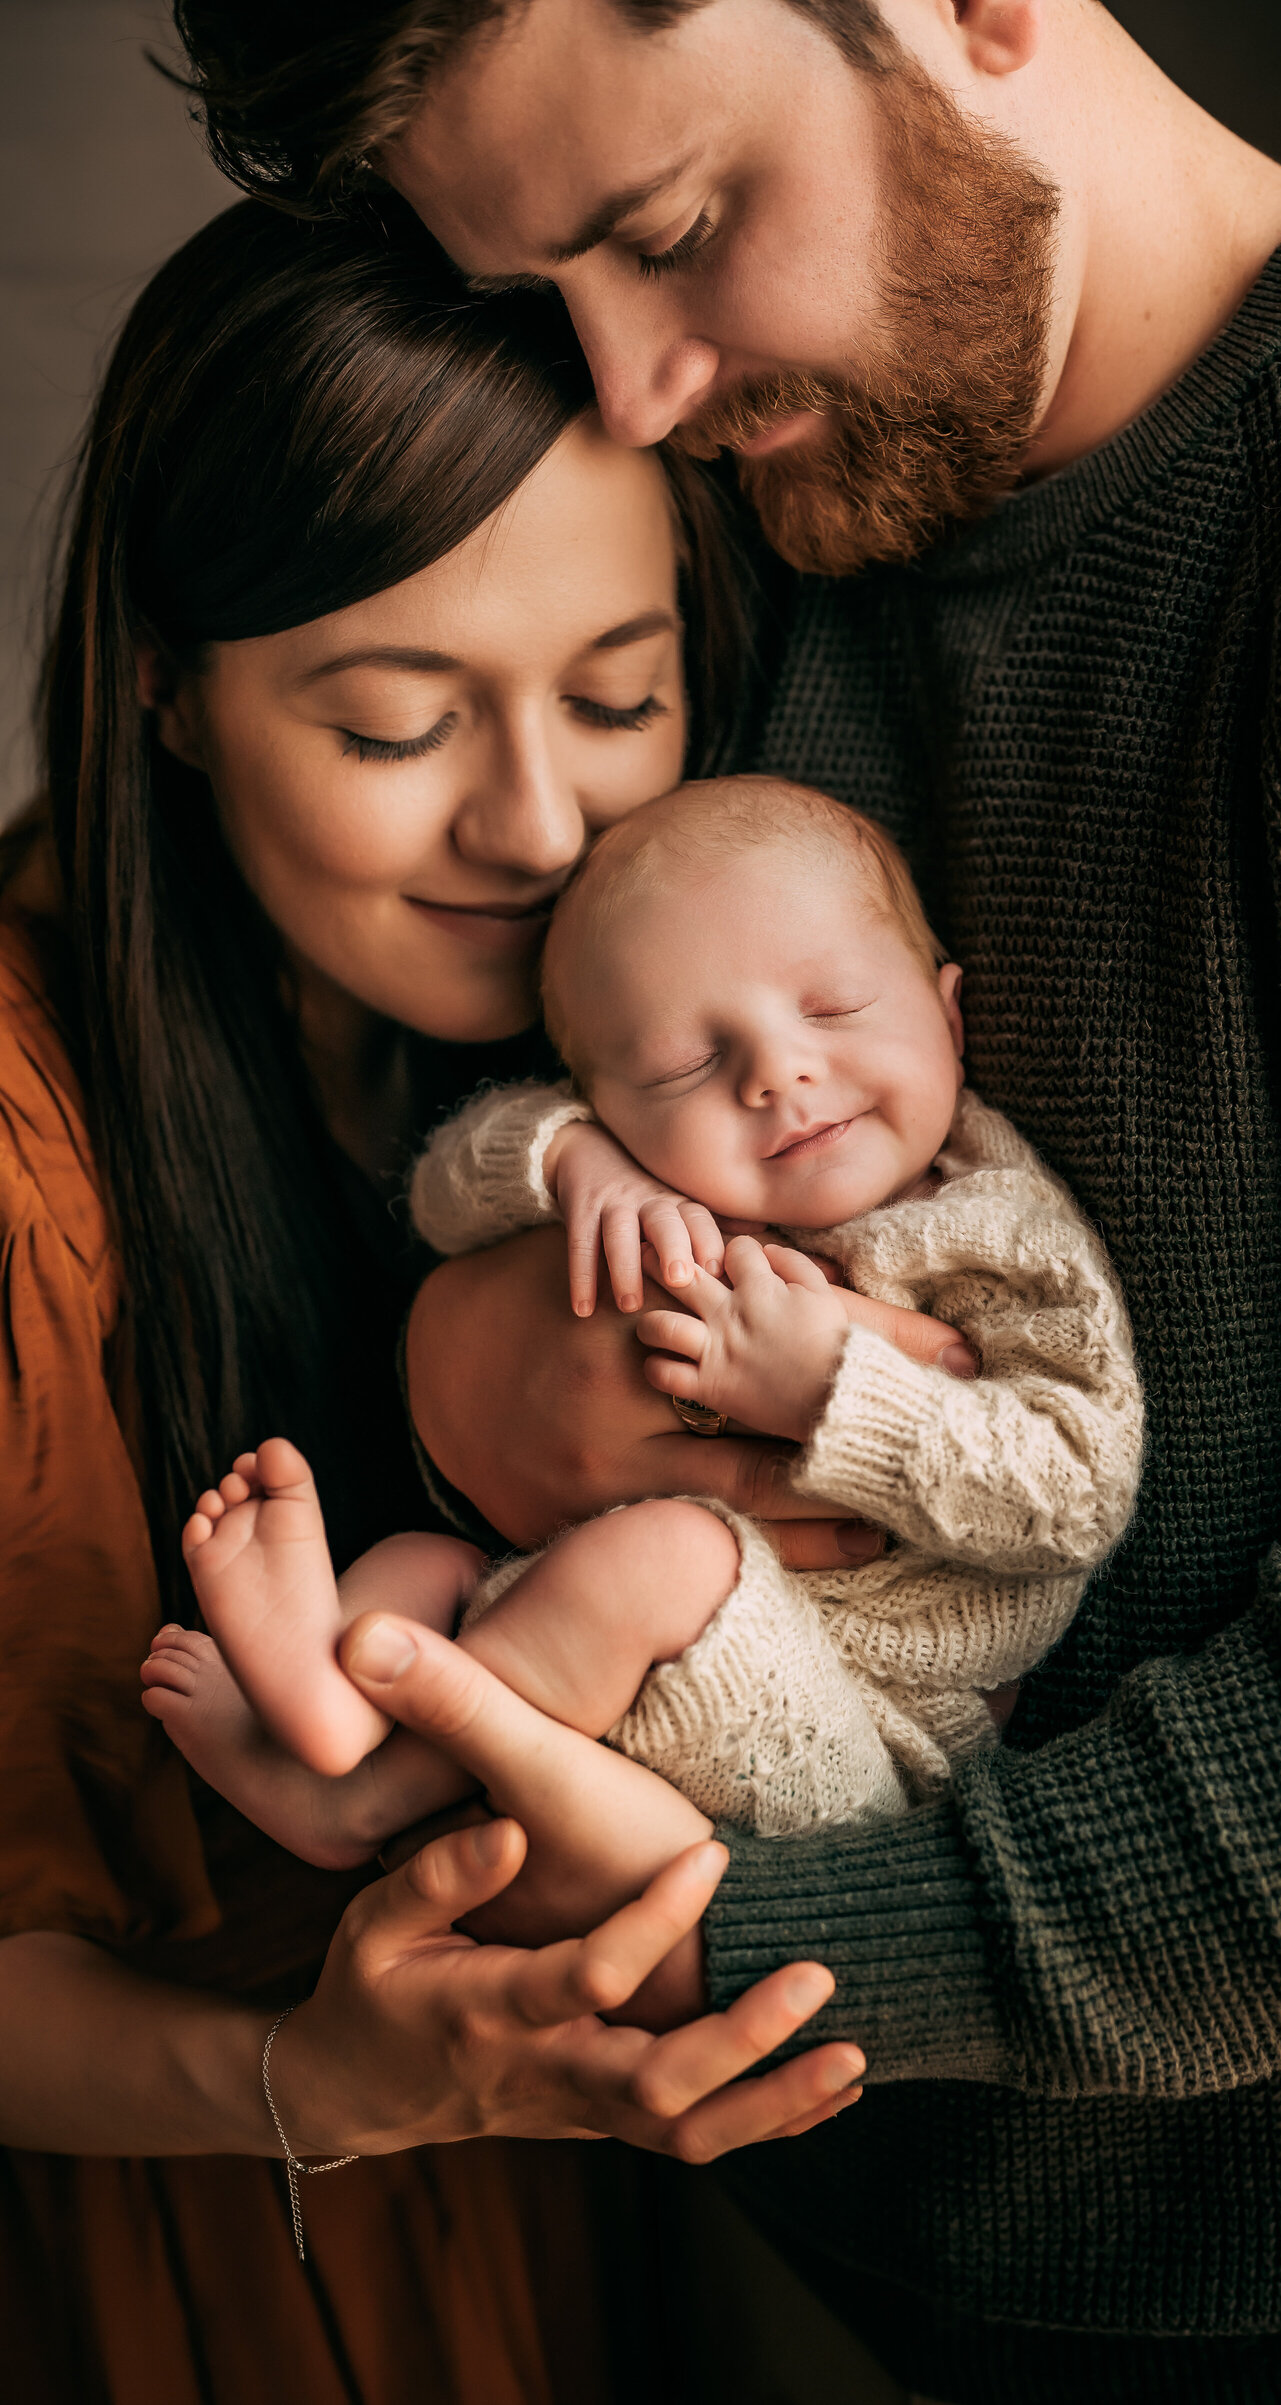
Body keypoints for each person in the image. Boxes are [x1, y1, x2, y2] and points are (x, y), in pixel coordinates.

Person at [170, 4, 1281, 2402]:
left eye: (674, 231)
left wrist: (771, 1942)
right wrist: (493, 1361)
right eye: (552, 302)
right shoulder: (751, 467)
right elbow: (458, 1185)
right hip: (730, 2211)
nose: (621, 389)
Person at [0, 194, 976, 2402]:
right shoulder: (28, 1155)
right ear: (165, 683)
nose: (540, 819)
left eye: (618, 693)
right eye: (391, 725)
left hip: (563, 2230)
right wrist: (312, 2072)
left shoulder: (647, 1047)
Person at [142, 775, 1144, 1865]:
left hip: (857, 1735)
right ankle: (326, 1699)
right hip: (568, 1654)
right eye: (686, 1064)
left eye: (835, 1007)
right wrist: (571, 1158)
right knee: (429, 1567)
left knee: (668, 1553)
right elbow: (443, 1192)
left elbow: (1079, 1493)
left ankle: (367, 1794)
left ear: (946, 1013)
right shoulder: (660, 1191)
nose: (779, 1072)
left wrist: (833, 1387)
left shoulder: (995, 1230)